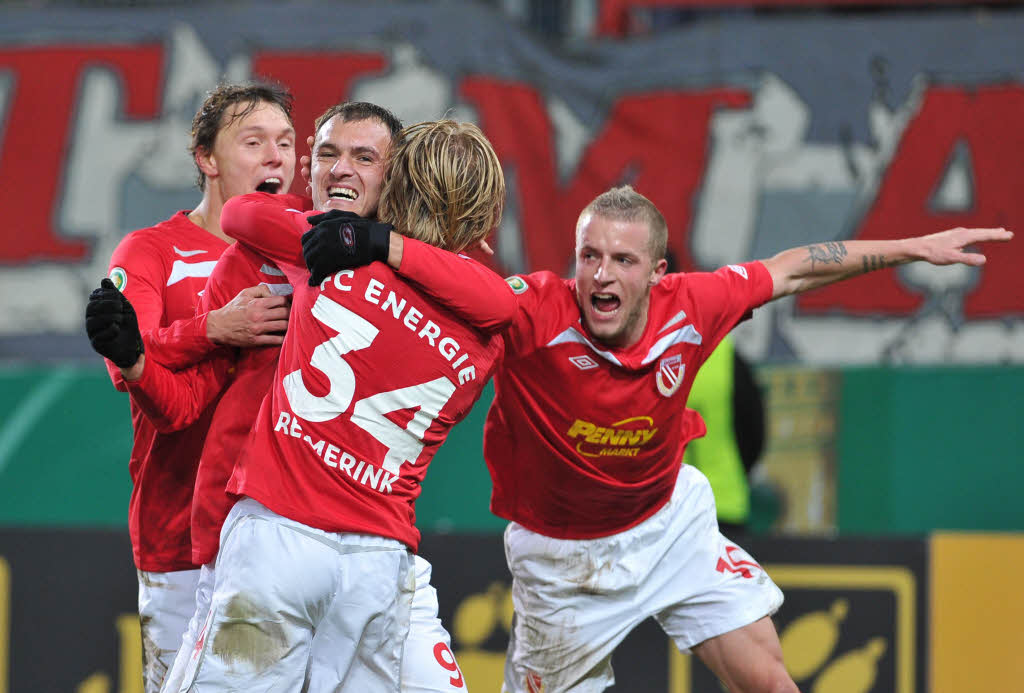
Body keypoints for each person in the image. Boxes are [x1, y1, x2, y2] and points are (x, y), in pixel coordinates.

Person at [305, 183, 1012, 692]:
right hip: (562, 565)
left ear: (658, 274)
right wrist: (371, 244)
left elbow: (798, 264)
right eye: (590, 256)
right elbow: (453, 286)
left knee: (769, 678)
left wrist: (913, 246)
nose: (602, 274)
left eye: (623, 260)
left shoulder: (696, 307)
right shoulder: (533, 310)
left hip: (671, 525)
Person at [96, 104, 511, 693]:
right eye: (327, 154)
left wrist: (377, 244)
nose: (342, 170)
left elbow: (243, 212)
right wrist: (183, 341)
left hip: (286, 536)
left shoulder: (306, 255)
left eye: (364, 158)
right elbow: (182, 404)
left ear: (395, 179)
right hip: (276, 540)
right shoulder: (479, 323)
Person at [84, 82, 297, 693]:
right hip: (179, 536)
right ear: (206, 158)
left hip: (291, 533)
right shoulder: (152, 251)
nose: (274, 158)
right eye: (253, 142)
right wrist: (218, 328)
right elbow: (130, 365)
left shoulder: (309, 253)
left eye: (285, 143)